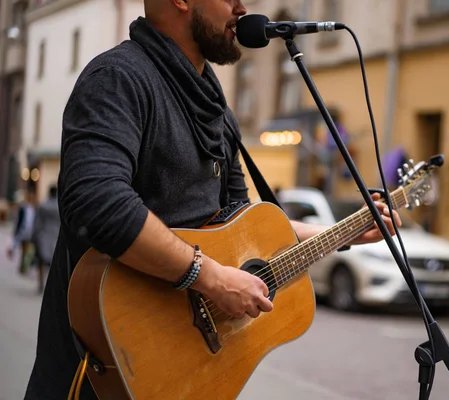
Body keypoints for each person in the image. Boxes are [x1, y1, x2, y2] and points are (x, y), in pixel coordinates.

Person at [24, 1, 401, 399]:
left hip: (185, 377)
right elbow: (98, 203)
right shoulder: (118, 78)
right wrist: (212, 279)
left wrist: (342, 232)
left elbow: (243, 223)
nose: (243, 6)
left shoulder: (215, 107)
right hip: (99, 376)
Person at [31, 185, 60, 294]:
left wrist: (34, 236)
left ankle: (41, 284)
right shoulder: (60, 207)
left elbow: (37, 223)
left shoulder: (43, 206)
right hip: (56, 237)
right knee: (54, 264)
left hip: (43, 237)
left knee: (41, 263)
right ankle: (53, 286)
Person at [6, 187, 36, 276]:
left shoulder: (34, 208)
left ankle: (23, 266)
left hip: (30, 231)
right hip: (22, 230)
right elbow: (19, 219)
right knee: (22, 247)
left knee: (27, 250)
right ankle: (19, 262)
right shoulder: (23, 208)